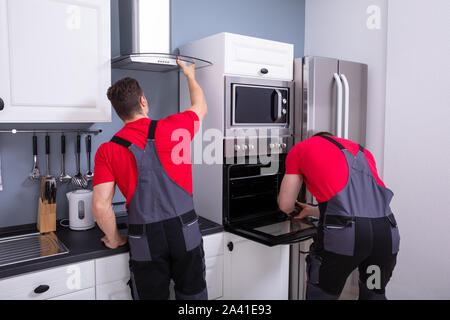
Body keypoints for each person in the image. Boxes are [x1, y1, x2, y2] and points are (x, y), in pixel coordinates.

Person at [92, 59, 208, 300]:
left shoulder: (108, 150)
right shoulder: (175, 127)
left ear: (118, 111)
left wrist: (114, 239)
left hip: (143, 237)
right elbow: (200, 106)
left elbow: (101, 205)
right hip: (184, 229)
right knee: (194, 297)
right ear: (143, 101)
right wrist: (189, 75)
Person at [277, 132, 400, 300]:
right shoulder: (363, 152)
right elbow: (359, 207)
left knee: (323, 295)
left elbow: (285, 205)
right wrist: (313, 210)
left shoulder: (301, 149)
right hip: (384, 237)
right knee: (373, 293)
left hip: (345, 240)